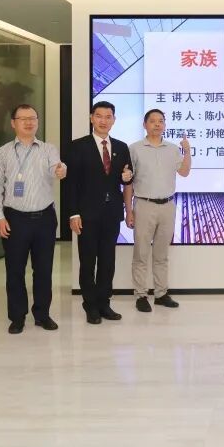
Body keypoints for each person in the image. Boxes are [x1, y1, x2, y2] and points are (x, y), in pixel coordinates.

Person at [0, 104, 66, 334]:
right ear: (13, 123)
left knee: (43, 270)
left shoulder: (48, 149)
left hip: (44, 218)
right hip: (14, 219)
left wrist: (61, 170)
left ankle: (42, 314)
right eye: (23, 119)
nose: (29, 122)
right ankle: (17, 317)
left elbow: (56, 168)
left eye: (33, 118)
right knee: (15, 270)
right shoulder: (2, 152)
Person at [64, 101, 134, 324]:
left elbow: (126, 176)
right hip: (86, 214)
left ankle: (104, 303)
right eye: (99, 116)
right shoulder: (77, 146)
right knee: (87, 261)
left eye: (108, 116)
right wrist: (73, 213)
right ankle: (90, 305)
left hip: (111, 213)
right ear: (91, 118)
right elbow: (70, 183)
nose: (104, 120)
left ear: (114, 120)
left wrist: (127, 178)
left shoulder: (122, 147)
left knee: (107, 260)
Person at [129, 109, 191, 313]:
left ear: (164, 125)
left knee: (162, 253)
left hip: (168, 206)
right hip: (144, 204)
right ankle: (141, 295)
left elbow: (184, 172)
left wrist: (187, 151)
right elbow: (127, 181)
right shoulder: (134, 149)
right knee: (141, 253)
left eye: (161, 121)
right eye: (153, 121)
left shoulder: (172, 149)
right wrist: (128, 210)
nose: (157, 124)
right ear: (144, 124)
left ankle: (161, 294)